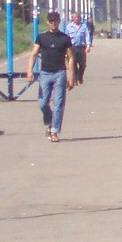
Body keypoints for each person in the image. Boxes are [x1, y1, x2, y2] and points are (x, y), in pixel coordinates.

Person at [25, 11, 76, 143]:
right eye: (51, 21)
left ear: (59, 22)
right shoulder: (42, 37)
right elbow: (33, 54)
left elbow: (70, 58)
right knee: (42, 103)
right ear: (48, 22)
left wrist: (72, 77)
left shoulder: (65, 38)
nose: (54, 23)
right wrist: (30, 71)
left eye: (56, 21)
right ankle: (50, 120)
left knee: (59, 103)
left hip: (60, 73)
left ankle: (54, 131)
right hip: (45, 74)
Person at [65, 12, 92, 85]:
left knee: (83, 64)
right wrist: (65, 49)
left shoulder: (83, 26)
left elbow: (87, 36)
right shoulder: (69, 27)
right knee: (73, 64)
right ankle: (75, 79)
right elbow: (66, 38)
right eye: (75, 17)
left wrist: (88, 46)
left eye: (78, 17)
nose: (77, 18)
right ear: (72, 18)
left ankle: (80, 76)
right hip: (72, 48)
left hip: (81, 47)